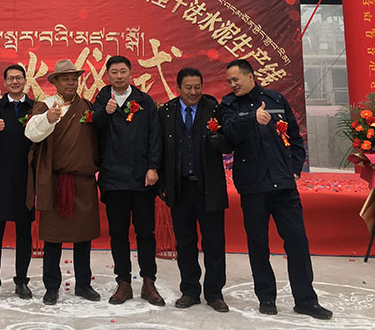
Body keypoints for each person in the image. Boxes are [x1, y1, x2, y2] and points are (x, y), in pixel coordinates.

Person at [221, 58, 332, 320]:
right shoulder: (229, 104)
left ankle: (306, 300)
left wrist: (294, 168)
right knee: (258, 244)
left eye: (236, 79)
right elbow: (228, 133)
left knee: (297, 241)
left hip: (283, 185)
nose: (232, 84)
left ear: (250, 77)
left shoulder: (275, 99)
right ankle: (266, 297)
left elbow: (294, 136)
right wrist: (252, 118)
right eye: (229, 81)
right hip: (253, 187)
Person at [24, 59, 101, 306]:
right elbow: (31, 133)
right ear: (55, 82)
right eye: (65, 78)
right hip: (54, 181)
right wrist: (48, 118)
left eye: (74, 78)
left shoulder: (86, 106)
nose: (71, 83)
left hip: (82, 181)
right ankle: (51, 287)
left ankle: (83, 284)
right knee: (53, 238)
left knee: (83, 236)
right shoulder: (46, 106)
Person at [158, 67, 232, 313]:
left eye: (197, 87)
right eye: (188, 88)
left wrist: (219, 141)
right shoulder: (166, 112)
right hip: (180, 188)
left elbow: (228, 142)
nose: (193, 92)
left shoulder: (214, 109)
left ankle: (214, 293)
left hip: (208, 187)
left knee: (214, 242)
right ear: (178, 88)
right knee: (185, 242)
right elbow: (159, 149)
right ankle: (189, 290)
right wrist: (162, 183)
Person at [91, 55, 164, 306]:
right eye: (114, 72)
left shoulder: (144, 101)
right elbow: (93, 128)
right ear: (107, 75)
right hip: (113, 179)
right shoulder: (101, 100)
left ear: (130, 73)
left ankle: (148, 282)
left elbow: (155, 136)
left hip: (142, 178)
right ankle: (123, 283)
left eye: (123, 71)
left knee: (145, 232)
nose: (119, 76)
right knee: (118, 234)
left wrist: (153, 167)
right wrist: (105, 113)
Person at [0, 64, 35, 302]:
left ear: (25, 81)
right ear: (4, 82)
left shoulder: (35, 108)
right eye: (10, 78)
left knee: (24, 232)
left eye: (18, 78)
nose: (14, 81)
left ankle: (21, 281)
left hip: (26, 178)